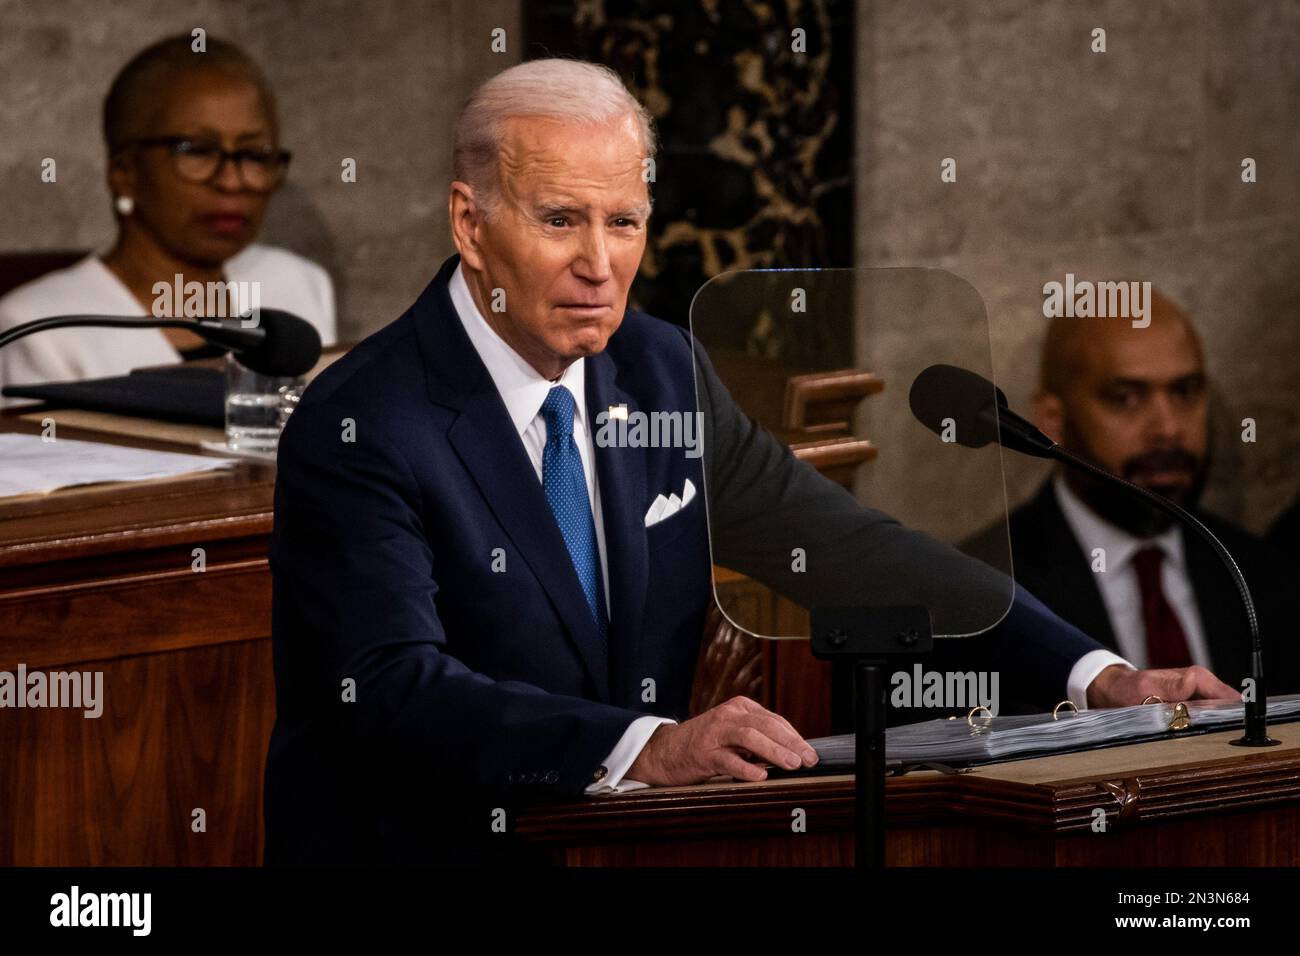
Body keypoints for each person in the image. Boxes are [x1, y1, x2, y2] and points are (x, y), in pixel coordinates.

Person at [264, 59, 1235, 865]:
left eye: (624, 221)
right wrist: (645, 744)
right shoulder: (364, 424)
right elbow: (390, 688)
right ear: (470, 223)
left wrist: (1093, 674)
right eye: (559, 219)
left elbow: (842, 542)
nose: (598, 262)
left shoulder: (654, 367)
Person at [963, 292, 1299, 692]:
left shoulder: (1263, 575)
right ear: (1053, 419)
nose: (1168, 428)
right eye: (1125, 398)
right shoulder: (988, 590)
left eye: (1185, 391)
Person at [0, 34, 335, 402]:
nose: (232, 181)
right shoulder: (39, 328)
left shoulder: (298, 283)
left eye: (255, 155)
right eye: (197, 151)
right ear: (125, 171)